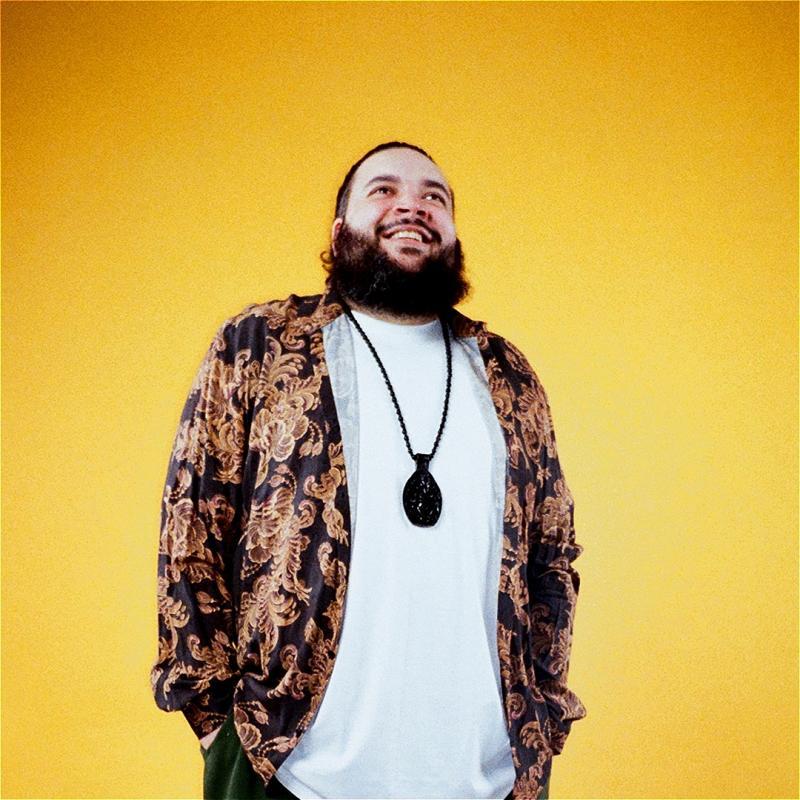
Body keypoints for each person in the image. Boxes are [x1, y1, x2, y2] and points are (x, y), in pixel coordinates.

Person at [150, 141, 587, 800]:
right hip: (292, 771)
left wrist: (545, 714)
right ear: (338, 232)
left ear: (452, 232)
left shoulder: (505, 372)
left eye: (434, 197)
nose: (413, 204)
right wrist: (214, 723)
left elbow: (552, 552)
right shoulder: (260, 345)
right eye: (383, 190)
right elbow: (192, 527)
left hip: (489, 778)